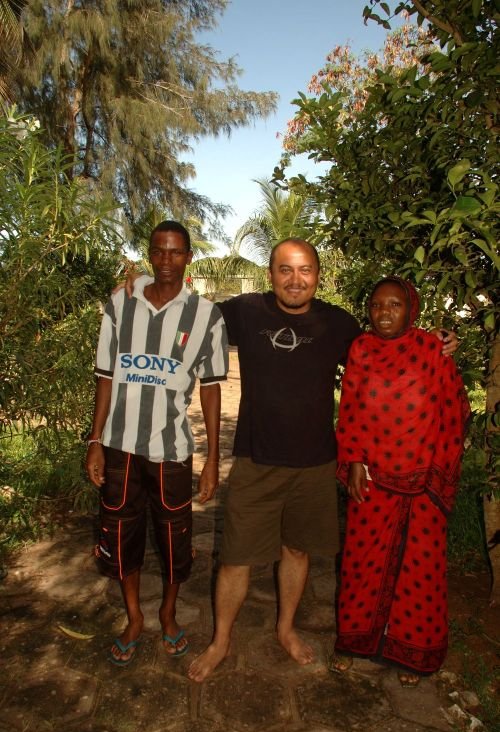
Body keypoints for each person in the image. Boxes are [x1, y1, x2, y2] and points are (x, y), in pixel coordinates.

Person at [122, 238, 457, 682]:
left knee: (296, 549)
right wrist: (146, 282)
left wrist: (439, 341)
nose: (295, 280)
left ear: (317, 275)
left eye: (304, 271)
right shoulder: (244, 311)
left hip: (315, 463)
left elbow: (386, 348)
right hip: (256, 460)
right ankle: (221, 640)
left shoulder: (338, 324)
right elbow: (189, 310)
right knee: (236, 557)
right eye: (285, 270)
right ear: (270, 274)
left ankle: (285, 629)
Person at [86, 220, 228, 666]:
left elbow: (210, 386)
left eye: (175, 252)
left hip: (171, 450)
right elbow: (106, 377)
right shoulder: (120, 303)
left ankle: (167, 613)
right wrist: (95, 440)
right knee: (121, 533)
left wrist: (212, 460)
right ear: (150, 255)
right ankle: (134, 617)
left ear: (189, 257)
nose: (166, 260)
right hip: (119, 447)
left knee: (173, 538)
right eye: (159, 252)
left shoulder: (207, 315)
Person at [329, 276, 470, 687]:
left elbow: (454, 409)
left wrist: (437, 472)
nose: (383, 312)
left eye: (393, 305)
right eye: (376, 305)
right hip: (372, 478)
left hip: (423, 482)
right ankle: (353, 643)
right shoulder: (361, 349)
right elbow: (350, 409)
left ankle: (412, 657)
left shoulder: (431, 348)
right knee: (359, 565)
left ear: (412, 310)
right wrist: (353, 459)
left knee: (418, 574)